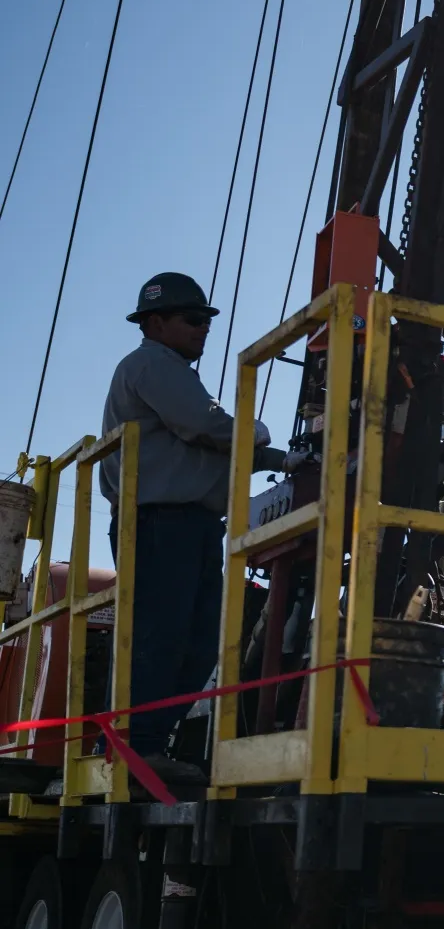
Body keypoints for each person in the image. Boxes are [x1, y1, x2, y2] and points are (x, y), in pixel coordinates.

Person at [101, 272, 284, 781]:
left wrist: (281, 459)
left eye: (206, 320)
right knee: (165, 636)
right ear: (155, 323)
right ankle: (136, 746)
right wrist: (259, 433)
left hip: (191, 525)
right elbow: (205, 424)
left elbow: (203, 439)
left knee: (199, 642)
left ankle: (140, 742)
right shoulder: (151, 363)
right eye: (193, 319)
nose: (203, 329)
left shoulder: (169, 370)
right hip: (161, 524)